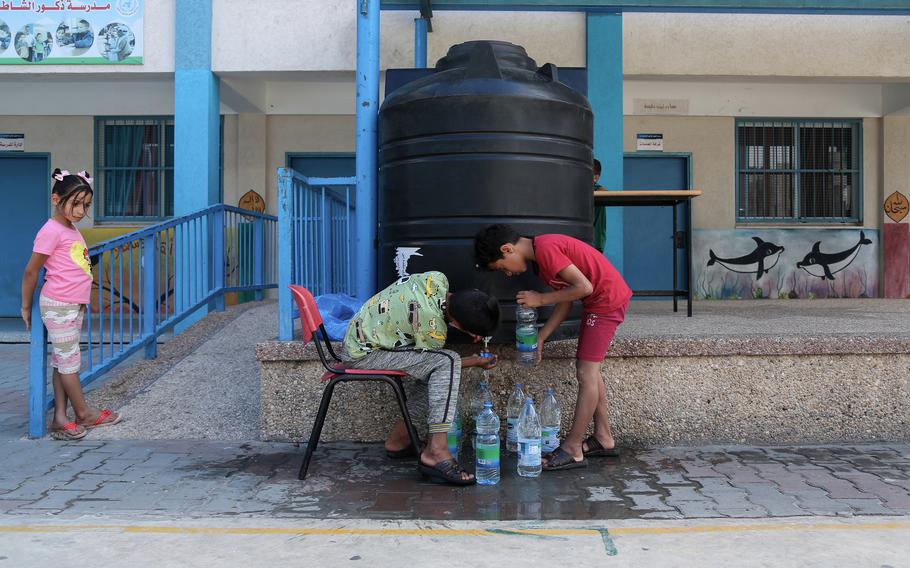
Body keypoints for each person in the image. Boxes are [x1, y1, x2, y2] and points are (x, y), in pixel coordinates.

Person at [474, 224, 632, 471]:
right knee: (590, 370)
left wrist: (541, 299)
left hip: (605, 301)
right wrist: (541, 337)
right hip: (600, 301)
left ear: (507, 249)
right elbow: (567, 300)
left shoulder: (546, 249)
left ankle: (573, 448)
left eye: (502, 267)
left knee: (585, 373)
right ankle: (604, 437)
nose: (507, 274)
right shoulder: (542, 257)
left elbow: (584, 288)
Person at [341, 271, 499, 485]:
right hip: (363, 355)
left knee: (438, 368)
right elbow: (442, 364)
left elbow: (428, 363)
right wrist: (475, 360)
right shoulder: (432, 328)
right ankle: (437, 451)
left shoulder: (437, 278)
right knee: (447, 362)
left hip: (360, 338)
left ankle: (398, 440)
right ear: (458, 326)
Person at [21, 169, 122, 441]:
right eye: (75, 204)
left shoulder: (70, 228)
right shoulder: (51, 230)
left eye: (86, 205)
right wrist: (25, 305)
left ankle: (60, 418)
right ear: (56, 199)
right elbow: (31, 271)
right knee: (70, 364)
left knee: (62, 362)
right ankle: (84, 413)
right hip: (58, 304)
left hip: (72, 304)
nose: (80, 211)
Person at [592, 159, 606, 253]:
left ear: (596, 177)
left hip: (595, 243)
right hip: (591, 242)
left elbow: (603, 191)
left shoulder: (598, 190)